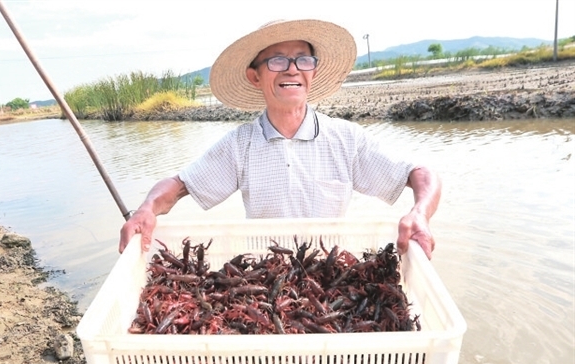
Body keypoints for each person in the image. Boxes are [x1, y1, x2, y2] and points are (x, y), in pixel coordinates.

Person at [119, 19, 441, 259]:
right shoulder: (239, 146)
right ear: (255, 76)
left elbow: (420, 175)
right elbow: (179, 185)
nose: (291, 70)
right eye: (277, 61)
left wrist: (420, 214)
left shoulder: (346, 139)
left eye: (303, 60)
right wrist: (146, 208)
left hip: (328, 271)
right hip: (264, 274)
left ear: (312, 71)